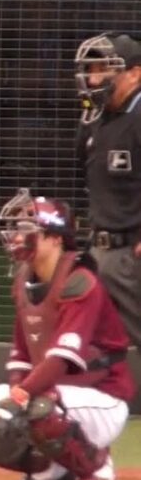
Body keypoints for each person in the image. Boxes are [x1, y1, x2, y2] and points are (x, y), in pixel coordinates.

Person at [0, 190, 135, 480]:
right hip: (52, 395)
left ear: (55, 238)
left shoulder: (80, 281)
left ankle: (96, 469)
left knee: (38, 405)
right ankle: (48, 474)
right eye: (16, 229)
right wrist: (17, 393)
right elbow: (21, 356)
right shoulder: (24, 280)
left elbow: (60, 359)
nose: (16, 236)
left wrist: (17, 399)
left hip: (102, 399)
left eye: (27, 229)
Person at [74, 31, 141, 350]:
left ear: (135, 74)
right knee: (98, 346)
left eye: (104, 69)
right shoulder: (93, 121)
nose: (93, 78)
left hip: (132, 256)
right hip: (98, 252)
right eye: (90, 70)